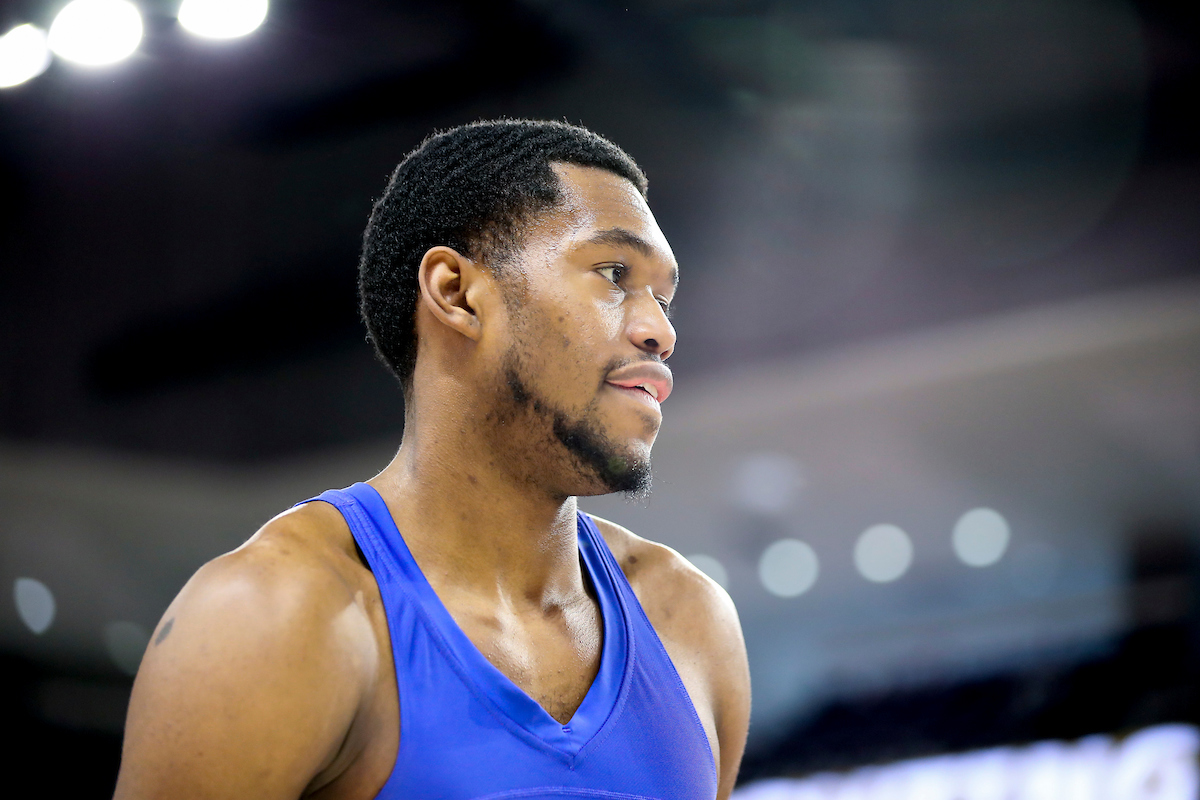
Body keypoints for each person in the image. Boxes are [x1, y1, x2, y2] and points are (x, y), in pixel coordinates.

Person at [113, 119, 751, 800]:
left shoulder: (690, 624)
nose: (661, 329)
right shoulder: (278, 613)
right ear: (455, 292)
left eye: (665, 296)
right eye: (614, 274)